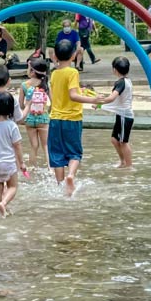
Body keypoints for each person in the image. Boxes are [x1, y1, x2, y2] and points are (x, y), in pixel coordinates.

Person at [48, 40, 106, 196]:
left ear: (55, 56)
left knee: (57, 155)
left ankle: (61, 187)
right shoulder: (73, 72)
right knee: (74, 153)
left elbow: (54, 97)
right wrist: (93, 100)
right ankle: (71, 175)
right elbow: (73, 96)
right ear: (74, 55)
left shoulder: (54, 73)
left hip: (55, 119)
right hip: (72, 120)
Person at [98, 56, 135, 169]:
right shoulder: (125, 81)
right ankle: (123, 162)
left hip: (125, 116)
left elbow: (112, 98)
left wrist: (98, 101)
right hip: (121, 115)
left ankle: (128, 166)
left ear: (114, 69)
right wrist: (100, 103)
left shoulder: (121, 83)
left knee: (123, 142)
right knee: (114, 140)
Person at [20, 58, 52, 168]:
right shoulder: (45, 84)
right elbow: (53, 102)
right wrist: (48, 112)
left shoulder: (24, 85)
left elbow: (21, 105)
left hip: (29, 119)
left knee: (33, 146)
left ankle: (32, 169)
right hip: (43, 118)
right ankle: (50, 168)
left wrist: (27, 110)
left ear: (33, 71)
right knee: (46, 145)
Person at [75, 0, 98, 70]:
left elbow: (92, 21)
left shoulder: (89, 11)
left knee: (83, 47)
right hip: (82, 30)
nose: (86, 3)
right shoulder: (80, 11)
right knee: (86, 46)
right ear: (82, 3)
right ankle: (92, 59)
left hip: (87, 30)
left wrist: (95, 29)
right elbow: (76, 20)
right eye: (85, 2)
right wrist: (74, 29)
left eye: (87, 2)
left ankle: (80, 61)